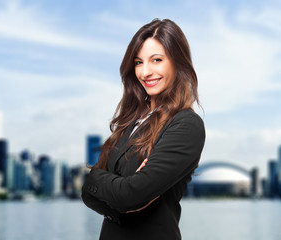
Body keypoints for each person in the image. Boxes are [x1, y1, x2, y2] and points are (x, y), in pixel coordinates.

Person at [81, 18, 206, 240]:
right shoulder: (132, 121)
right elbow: (91, 194)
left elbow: (130, 195)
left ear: (178, 62)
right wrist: (115, 195)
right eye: (138, 62)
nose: (145, 72)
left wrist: (98, 180)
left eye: (156, 60)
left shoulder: (186, 125)